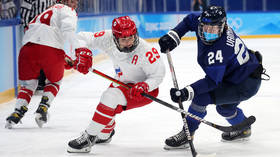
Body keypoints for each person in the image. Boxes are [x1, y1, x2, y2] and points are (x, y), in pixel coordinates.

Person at [158, 6, 268, 149]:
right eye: (206, 27)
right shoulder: (201, 22)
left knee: (201, 97)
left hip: (245, 84)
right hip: (241, 73)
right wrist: (173, 36)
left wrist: (186, 92)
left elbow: (212, 81)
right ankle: (243, 128)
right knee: (225, 108)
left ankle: (188, 133)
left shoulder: (220, 50)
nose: (208, 32)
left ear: (223, 26)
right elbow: (189, 20)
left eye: (214, 29)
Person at [67, 16, 166, 153]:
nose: (129, 42)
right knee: (106, 108)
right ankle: (105, 134)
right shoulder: (107, 38)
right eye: (123, 40)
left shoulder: (146, 51)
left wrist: (145, 85)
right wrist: (82, 52)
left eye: (131, 37)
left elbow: (158, 75)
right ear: (114, 38)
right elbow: (82, 37)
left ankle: (89, 137)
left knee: (110, 97)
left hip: (145, 90)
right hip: (121, 82)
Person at [5, 0, 90, 129]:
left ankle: (17, 112)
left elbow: (32, 31)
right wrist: (78, 51)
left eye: (76, 2)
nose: (75, 4)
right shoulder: (68, 11)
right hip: (51, 50)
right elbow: (68, 30)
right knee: (54, 82)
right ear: (63, 1)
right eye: (72, 1)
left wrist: (63, 57)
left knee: (28, 85)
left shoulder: (45, 11)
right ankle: (43, 108)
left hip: (27, 48)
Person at [21, 0, 55, 91]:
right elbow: (25, 11)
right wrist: (26, 26)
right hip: (36, 28)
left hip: (49, 29)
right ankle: (38, 81)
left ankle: (42, 81)